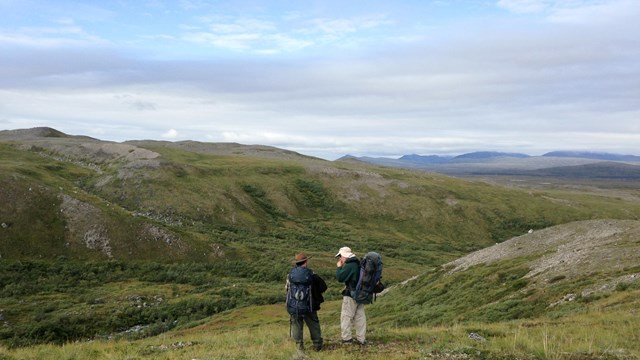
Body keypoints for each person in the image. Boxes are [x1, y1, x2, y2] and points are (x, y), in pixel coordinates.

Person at [286, 252, 327, 351]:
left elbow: (287, 289)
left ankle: (299, 347)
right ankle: (317, 345)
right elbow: (323, 287)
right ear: (306, 261)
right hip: (309, 305)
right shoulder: (312, 274)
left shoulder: (290, 275)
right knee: (313, 324)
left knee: (296, 324)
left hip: (294, 305)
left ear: (296, 263)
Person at [335, 246, 366, 345]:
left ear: (344, 255)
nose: (340, 258)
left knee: (346, 316)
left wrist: (339, 267)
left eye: (340, 256)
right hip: (361, 293)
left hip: (351, 294)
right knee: (360, 316)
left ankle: (347, 338)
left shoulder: (350, 265)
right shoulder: (358, 263)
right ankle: (361, 339)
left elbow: (340, 278)